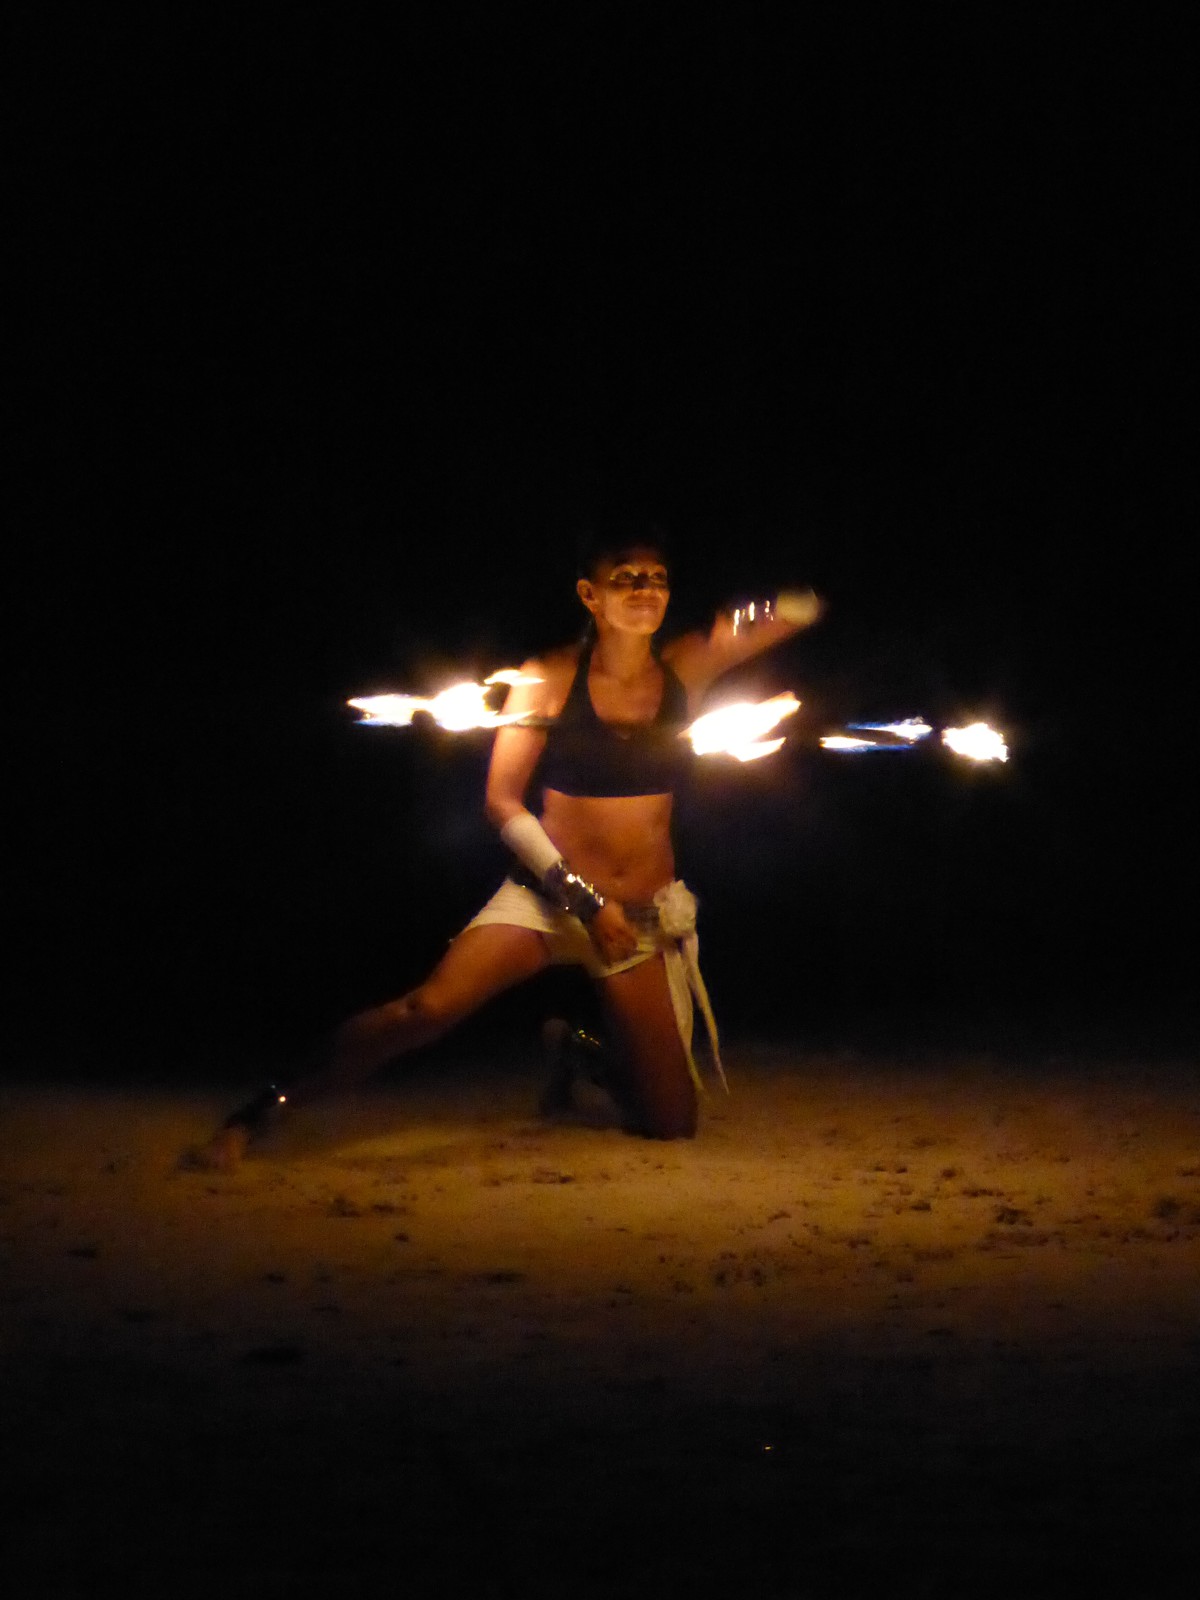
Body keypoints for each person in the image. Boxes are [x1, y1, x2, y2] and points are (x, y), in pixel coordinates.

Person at [194, 527, 822, 1168]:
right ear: (590, 596)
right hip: (549, 898)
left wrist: (803, 601)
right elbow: (501, 802)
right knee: (424, 1009)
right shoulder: (545, 677)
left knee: (671, 1124)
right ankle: (264, 1107)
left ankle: (583, 1055)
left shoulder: (685, 667)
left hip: (634, 918)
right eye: (625, 577)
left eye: (657, 579)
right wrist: (583, 900)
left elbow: (755, 625)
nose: (644, 589)